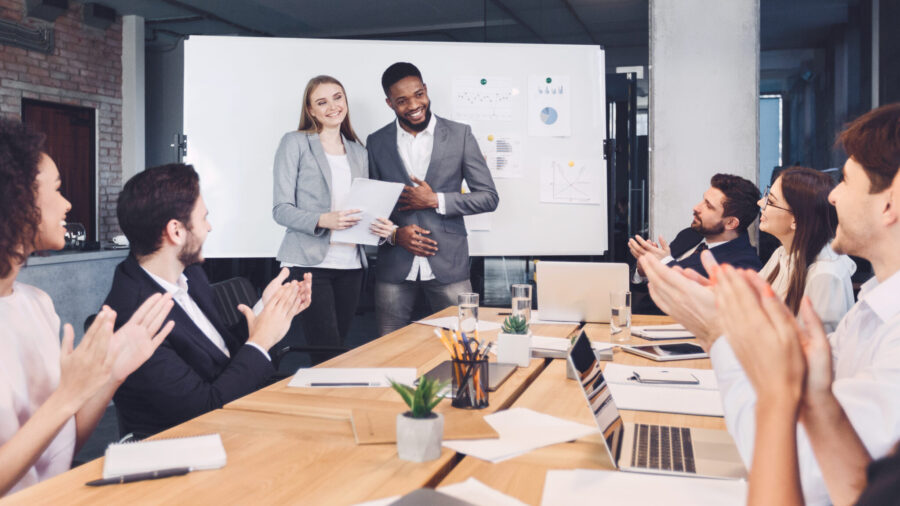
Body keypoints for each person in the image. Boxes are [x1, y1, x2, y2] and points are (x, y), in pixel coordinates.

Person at [639, 103, 900, 505]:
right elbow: (811, 414)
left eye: (845, 181)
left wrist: (720, 336)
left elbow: (804, 466)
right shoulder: (872, 304)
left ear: (890, 201)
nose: (832, 196)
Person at [0, 120, 175, 496]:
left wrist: (111, 375)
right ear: (15, 199)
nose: (67, 204)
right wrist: (67, 397)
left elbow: (57, 456)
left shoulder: (36, 303)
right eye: (58, 190)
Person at [104, 163, 312, 439]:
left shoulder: (190, 274)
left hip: (239, 421)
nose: (209, 227)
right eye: (203, 218)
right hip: (188, 449)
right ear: (176, 231)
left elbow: (222, 353)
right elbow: (204, 411)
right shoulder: (134, 315)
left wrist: (268, 306)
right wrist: (261, 341)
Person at [367, 62, 499, 336]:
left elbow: (488, 198)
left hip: (449, 263)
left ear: (425, 90)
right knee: (388, 350)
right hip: (394, 265)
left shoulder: (460, 135)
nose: (414, 105)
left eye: (418, 94)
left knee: (466, 343)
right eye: (402, 101)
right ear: (389, 103)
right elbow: (371, 208)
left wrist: (435, 200)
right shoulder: (376, 142)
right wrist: (394, 235)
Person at [273, 75, 394, 361]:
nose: (332, 106)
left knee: (337, 349)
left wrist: (382, 226)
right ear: (311, 110)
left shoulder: (358, 151)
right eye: (321, 102)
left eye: (337, 97)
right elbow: (281, 209)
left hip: (351, 265)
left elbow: (365, 207)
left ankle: (332, 402)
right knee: (325, 351)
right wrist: (323, 220)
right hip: (308, 263)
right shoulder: (295, 143)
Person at [756, 166, 855, 331]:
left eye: (771, 201)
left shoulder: (825, 273)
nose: (760, 203)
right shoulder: (783, 253)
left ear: (796, 220)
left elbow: (822, 348)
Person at [629, 173, 763, 280]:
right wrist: (643, 270)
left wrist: (664, 263)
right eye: (703, 200)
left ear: (731, 223)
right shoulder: (689, 235)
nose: (696, 207)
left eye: (708, 206)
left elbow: (697, 301)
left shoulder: (743, 266)